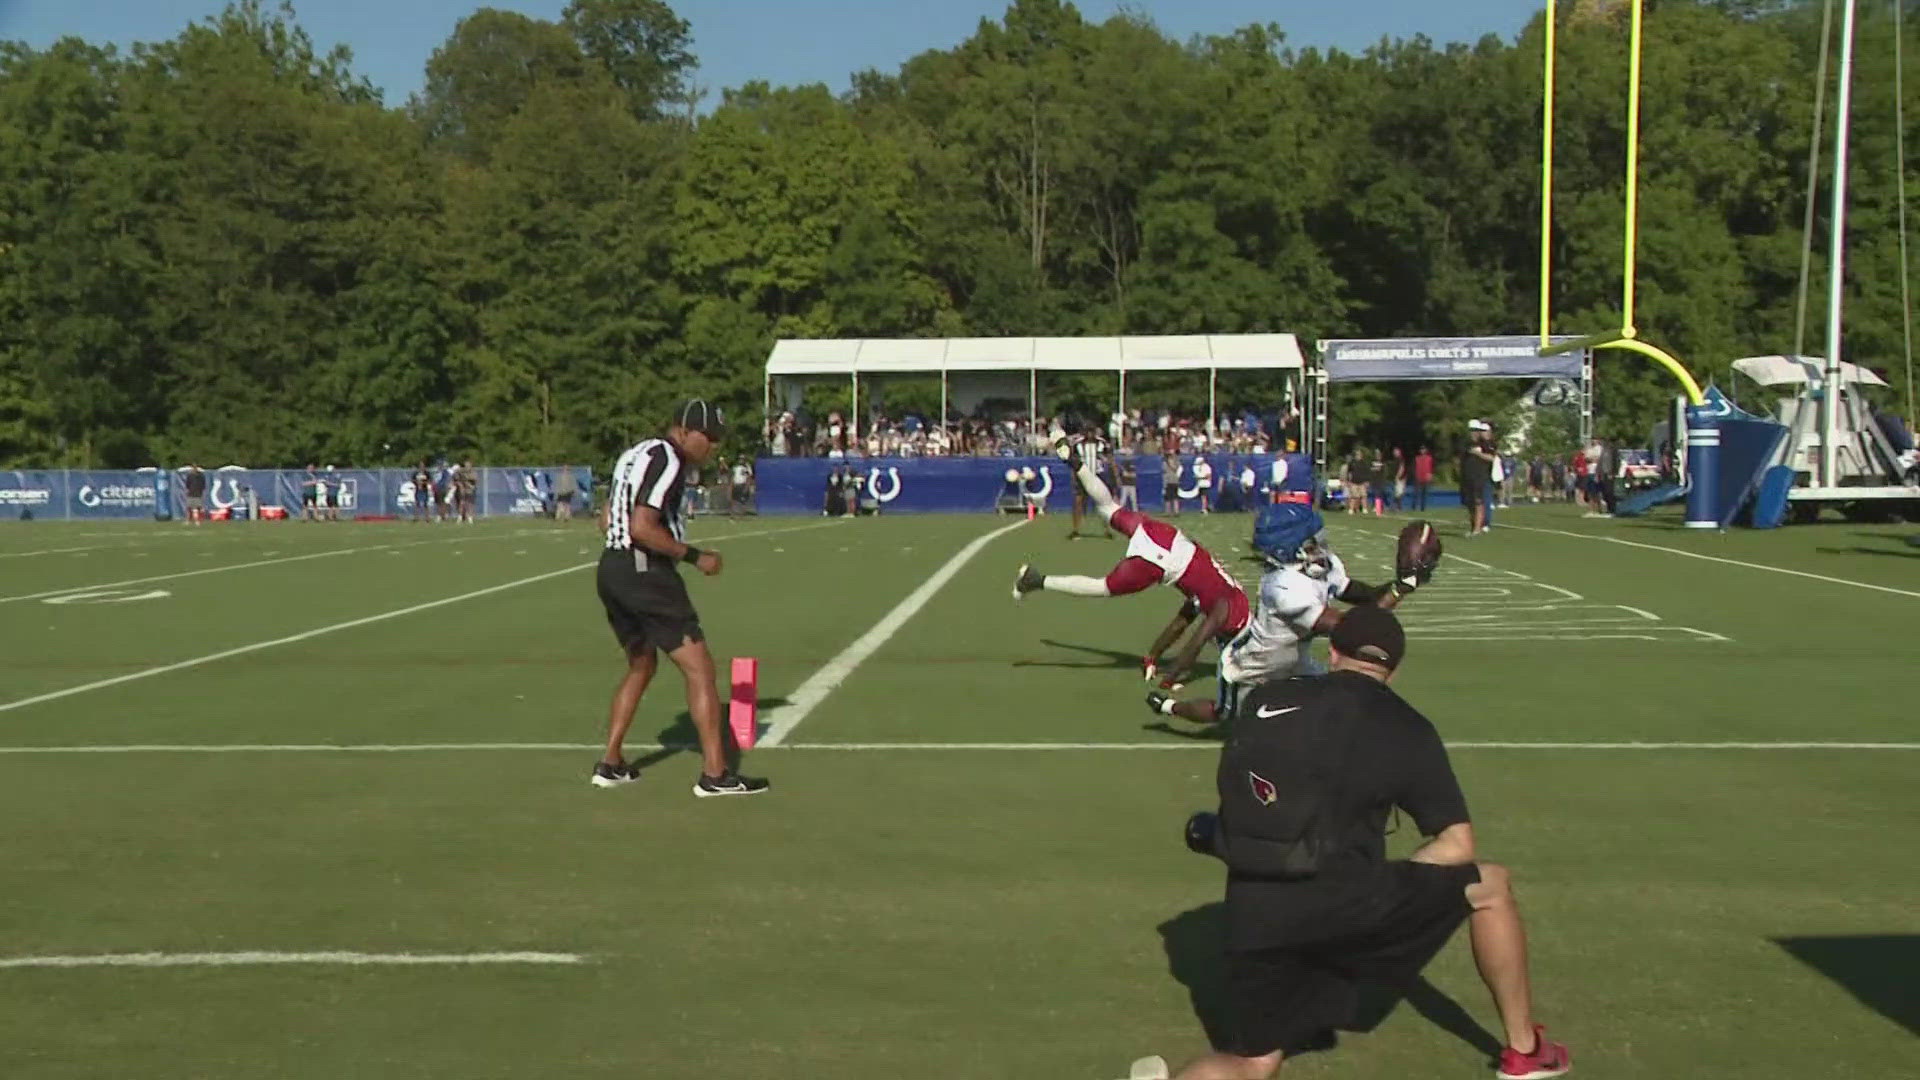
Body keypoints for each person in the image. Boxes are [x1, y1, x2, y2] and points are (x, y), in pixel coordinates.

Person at [1118, 606, 1572, 1080]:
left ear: (1332, 653)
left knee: (1254, 1062)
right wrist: (1397, 878)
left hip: (1255, 909)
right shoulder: (1408, 727)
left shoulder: (1266, 699)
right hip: (1348, 903)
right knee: (1491, 885)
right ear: (1393, 669)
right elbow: (1457, 843)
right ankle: (1525, 1052)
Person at [592, 398, 767, 797]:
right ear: (685, 431)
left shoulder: (633, 454)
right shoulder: (669, 459)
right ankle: (716, 774)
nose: (713, 447)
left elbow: (607, 519)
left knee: (641, 665)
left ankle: (611, 762)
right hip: (645, 571)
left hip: (612, 568)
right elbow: (641, 526)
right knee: (700, 670)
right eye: (709, 438)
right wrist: (694, 556)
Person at [1146, 503, 1435, 727]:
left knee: (1340, 693)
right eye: (1313, 539)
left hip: (1295, 657)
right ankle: (1171, 707)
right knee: (1225, 714)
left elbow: (1362, 594)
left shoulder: (1321, 564)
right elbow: (1352, 628)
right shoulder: (1283, 587)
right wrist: (1400, 590)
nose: (1321, 542)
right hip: (1253, 663)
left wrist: (1402, 581)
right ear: (1291, 547)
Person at [1015, 448, 1250, 693]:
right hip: (1162, 562)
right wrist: (1171, 678)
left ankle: (1077, 463)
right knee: (1102, 587)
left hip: (1168, 536)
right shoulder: (1230, 612)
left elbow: (1183, 621)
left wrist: (1152, 656)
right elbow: (1195, 642)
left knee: (1108, 508)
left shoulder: (1231, 592)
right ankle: (1037, 580)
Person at [1069, 425, 1116, 540]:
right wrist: (1073, 476)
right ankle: (1076, 529)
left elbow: (1109, 458)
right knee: (1078, 502)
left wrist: (1113, 473)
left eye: (1092, 432)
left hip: (1098, 476)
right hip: (1083, 475)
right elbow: (1073, 460)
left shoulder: (1102, 443)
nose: (1090, 434)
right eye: (1087, 432)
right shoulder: (1077, 444)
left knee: (1103, 503)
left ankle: (1107, 529)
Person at [1413, 446, 1433, 512]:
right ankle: (1415, 507)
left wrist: (1430, 475)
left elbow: (1431, 468)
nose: (1422, 451)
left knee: (1424, 494)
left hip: (1426, 478)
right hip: (1418, 477)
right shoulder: (1417, 458)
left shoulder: (1429, 458)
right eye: (1421, 449)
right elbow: (1414, 468)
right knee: (1417, 493)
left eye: (1423, 449)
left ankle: (1423, 507)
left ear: (1426, 450)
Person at [1163, 450, 1183, 515]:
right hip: (1169, 481)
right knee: (1168, 497)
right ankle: (1169, 511)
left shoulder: (1176, 463)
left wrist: (1170, 464)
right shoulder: (1165, 463)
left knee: (1174, 497)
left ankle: (1175, 511)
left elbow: (1175, 468)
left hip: (1172, 481)